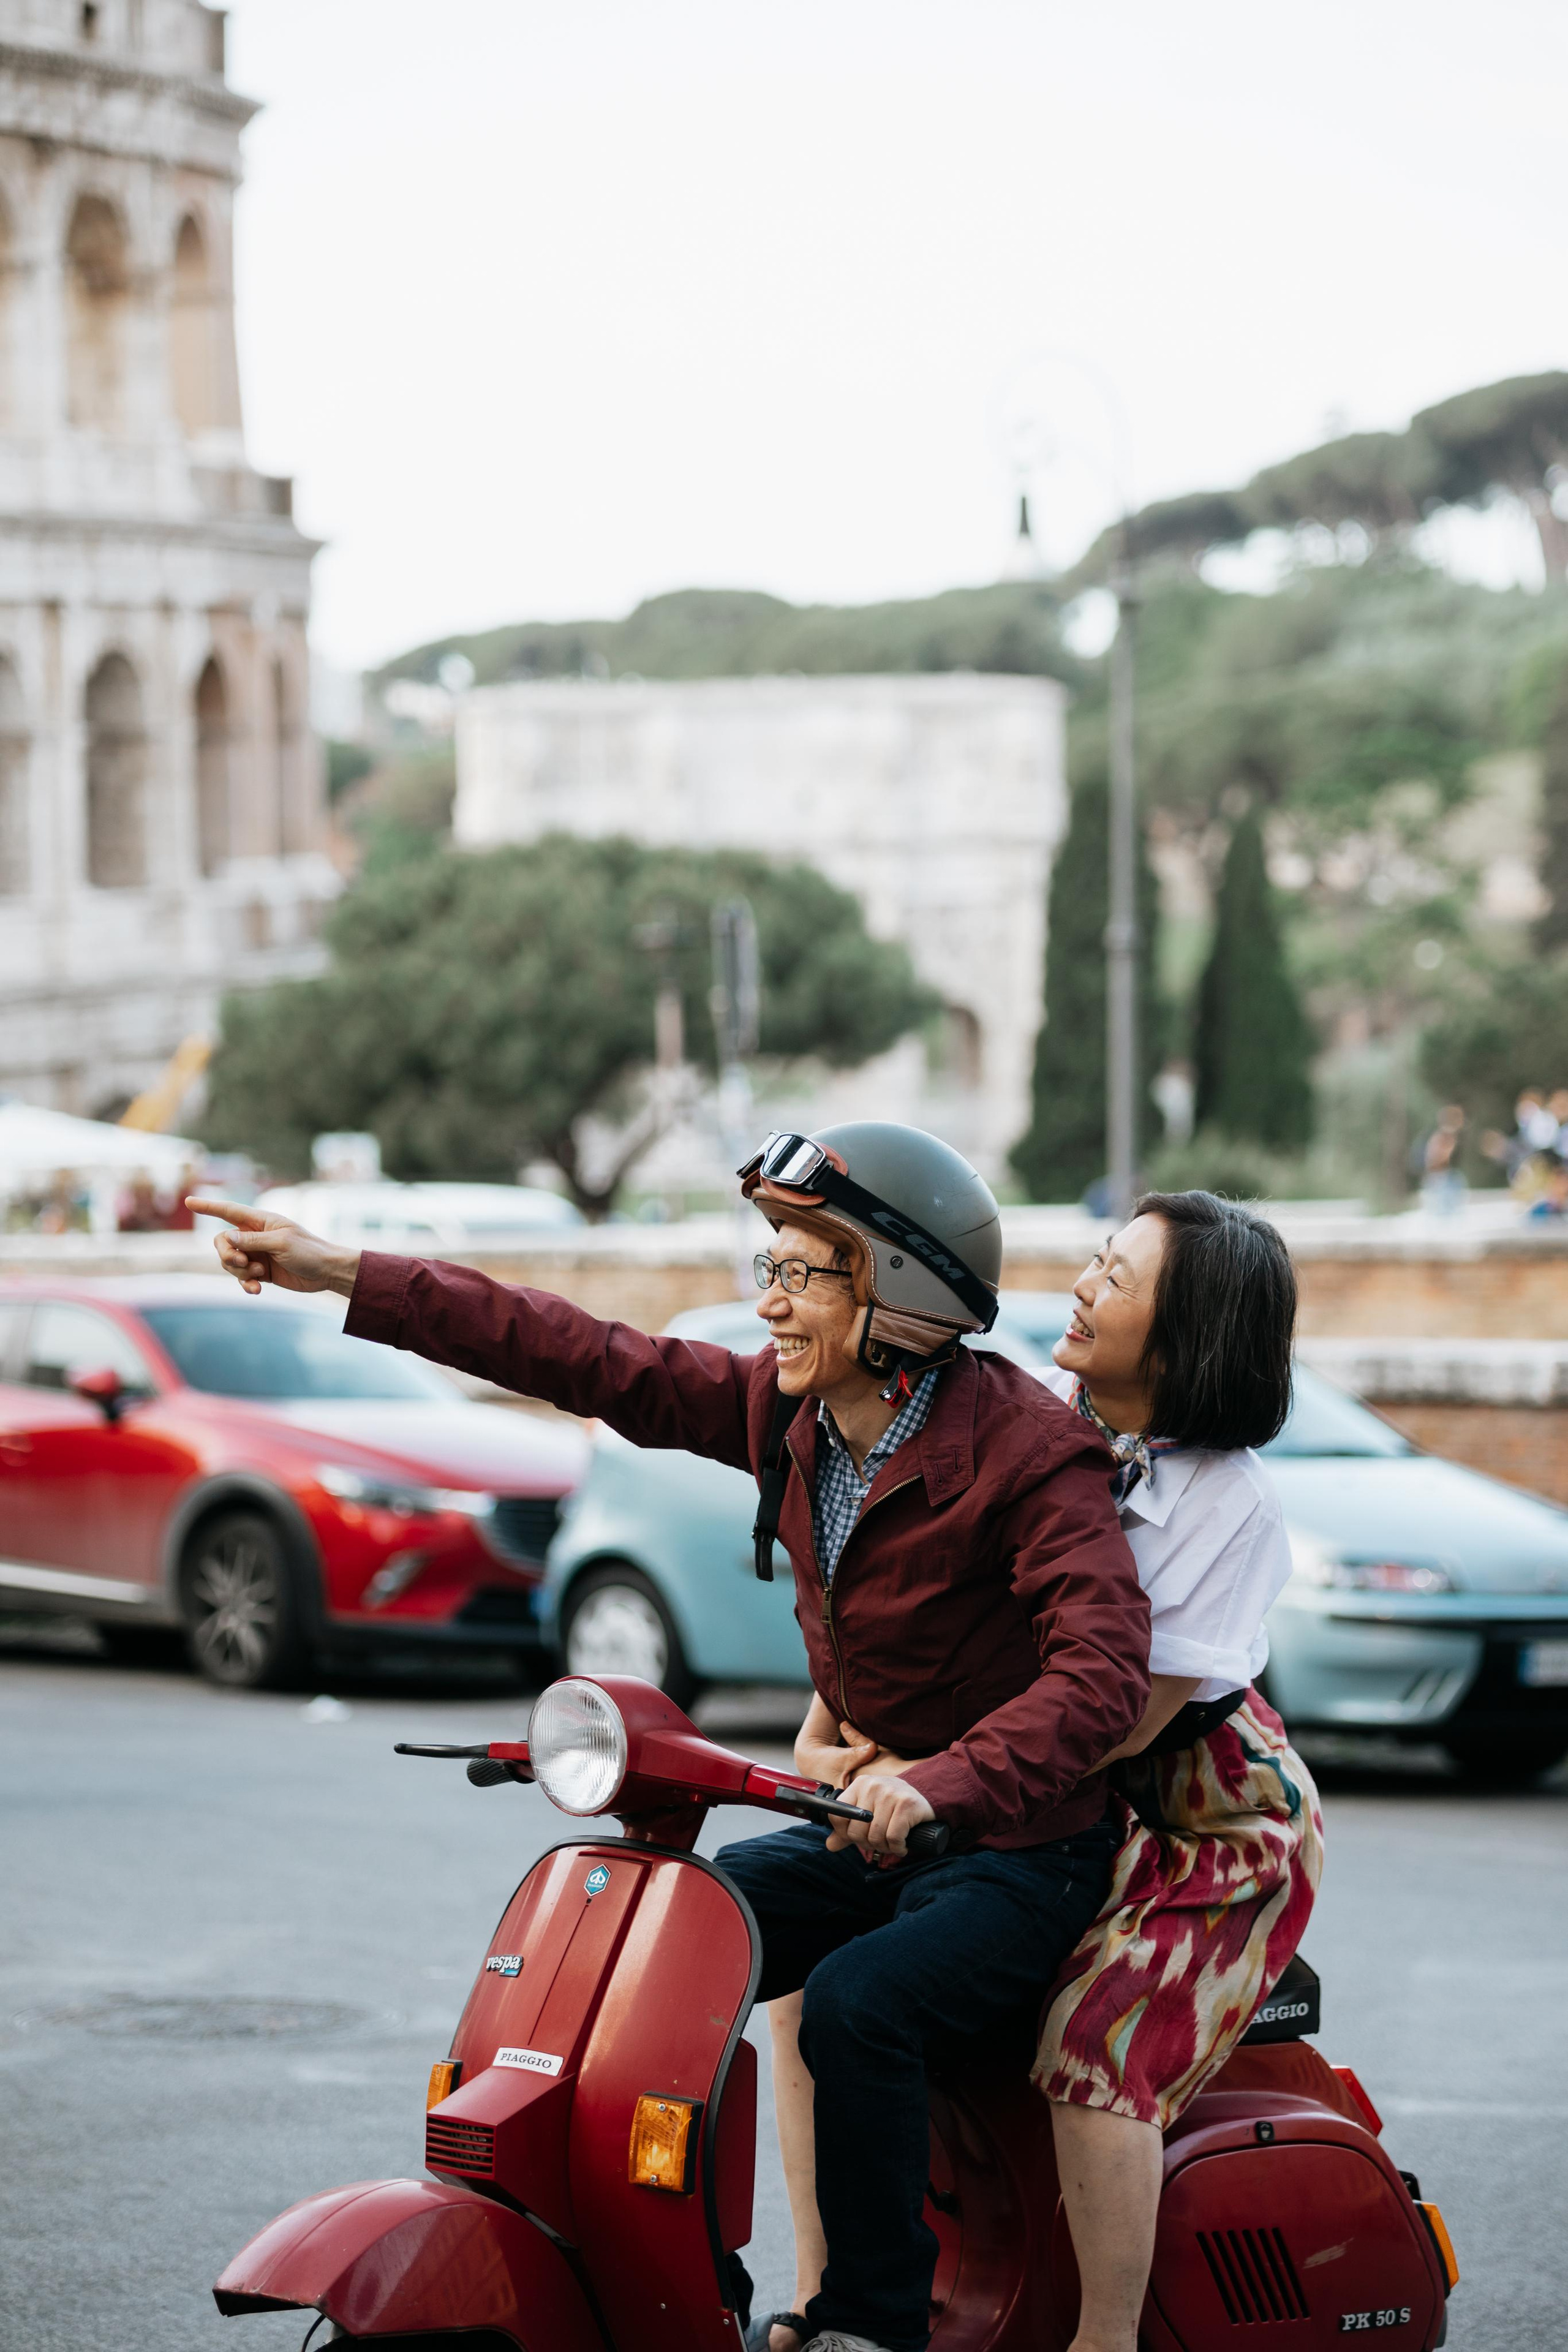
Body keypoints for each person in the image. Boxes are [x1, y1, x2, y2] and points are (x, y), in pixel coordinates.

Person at [190, 1123, 1153, 2352]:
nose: (769, 1302)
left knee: (861, 2002)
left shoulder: (1029, 1454)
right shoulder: (789, 1417)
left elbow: (1100, 1675)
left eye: (802, 1272)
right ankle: (693, 2296)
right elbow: (579, 1352)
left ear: (894, 1291)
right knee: (670, 1932)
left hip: (1021, 1852)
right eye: (771, 1266)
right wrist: (342, 1273)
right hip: (871, 1833)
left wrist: (940, 1787)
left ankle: (868, 2325)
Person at [752, 1191, 1321, 2352]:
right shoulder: (1032, 1420)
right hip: (1026, 1787)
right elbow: (921, 1596)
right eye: (1097, 1261)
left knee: (1095, 2038)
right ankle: (830, 2298)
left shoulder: (1227, 1505)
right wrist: (837, 1734)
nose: (1081, 1285)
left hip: (1197, 1817)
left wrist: (925, 1775)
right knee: (803, 1981)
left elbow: (1119, 1722)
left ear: (1190, 1330)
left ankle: (1102, 2338)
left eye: (1116, 1278)